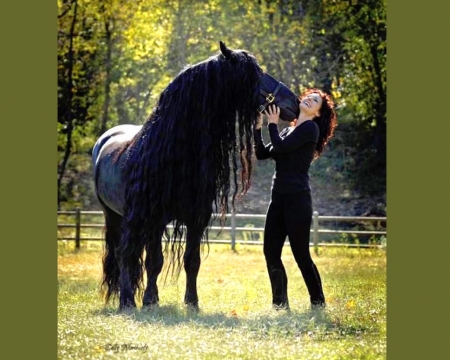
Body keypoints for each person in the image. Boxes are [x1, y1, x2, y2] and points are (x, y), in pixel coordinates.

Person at [254, 88, 337, 310]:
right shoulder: (287, 131)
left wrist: (272, 123)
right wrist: (258, 128)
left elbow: (280, 148)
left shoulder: (310, 129)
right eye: (309, 96)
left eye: (316, 101)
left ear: (318, 113)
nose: (309, 99)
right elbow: (263, 153)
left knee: (301, 255)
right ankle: (279, 304)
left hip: (297, 200)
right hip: (277, 199)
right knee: (270, 252)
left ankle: (318, 303)